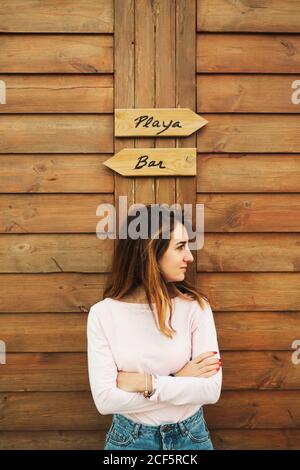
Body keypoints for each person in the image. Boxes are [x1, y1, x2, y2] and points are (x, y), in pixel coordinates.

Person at [87, 205, 222, 450]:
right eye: (180, 247)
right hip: (130, 441)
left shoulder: (196, 308)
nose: (189, 257)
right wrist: (179, 380)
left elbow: (210, 390)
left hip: (191, 438)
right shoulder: (103, 314)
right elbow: (106, 401)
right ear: (151, 253)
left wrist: (149, 384)